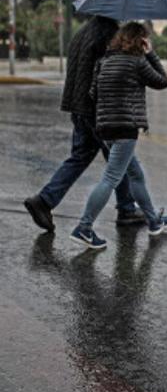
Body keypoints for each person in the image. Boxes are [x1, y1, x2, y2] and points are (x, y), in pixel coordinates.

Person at [24, 16, 144, 233]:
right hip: (97, 110)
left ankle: (44, 201)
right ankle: (126, 210)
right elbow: (111, 72)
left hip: (78, 107)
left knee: (80, 157)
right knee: (120, 158)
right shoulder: (109, 35)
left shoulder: (83, 31)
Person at [70, 22, 167, 249]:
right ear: (140, 40)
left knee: (135, 174)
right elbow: (162, 81)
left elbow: (93, 92)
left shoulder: (103, 62)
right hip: (125, 129)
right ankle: (84, 227)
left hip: (105, 129)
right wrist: (151, 53)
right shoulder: (137, 63)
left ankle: (154, 221)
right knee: (111, 178)